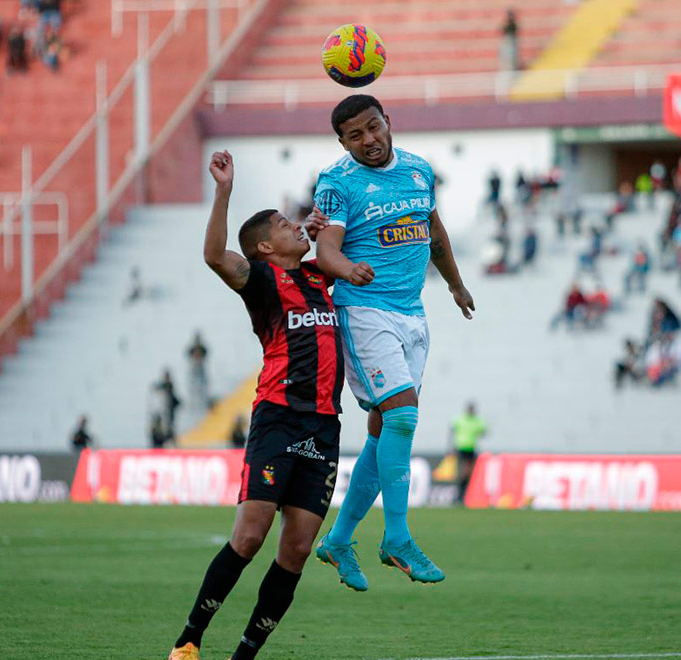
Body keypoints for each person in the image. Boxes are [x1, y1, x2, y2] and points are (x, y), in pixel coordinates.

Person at [166, 151, 351, 660]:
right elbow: (214, 256)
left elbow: (340, 247)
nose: (295, 225)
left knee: (295, 550)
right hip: (278, 417)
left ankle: (245, 655)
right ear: (266, 246)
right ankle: (189, 638)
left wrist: (323, 225)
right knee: (250, 536)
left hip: (325, 428)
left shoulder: (318, 276)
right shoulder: (263, 283)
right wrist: (224, 192)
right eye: (284, 224)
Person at [308, 94, 474, 590]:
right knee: (402, 415)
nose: (369, 141)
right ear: (342, 142)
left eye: (373, 128)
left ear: (387, 123)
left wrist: (454, 282)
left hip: (412, 314)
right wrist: (347, 270)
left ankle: (338, 540)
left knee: (384, 432)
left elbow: (434, 231)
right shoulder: (338, 182)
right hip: (363, 310)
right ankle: (397, 539)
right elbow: (327, 248)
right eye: (355, 135)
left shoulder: (419, 170)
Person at [449, 402, 487, 505]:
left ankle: (462, 496)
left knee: (469, 473)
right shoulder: (460, 419)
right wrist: (451, 447)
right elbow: (452, 431)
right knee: (463, 472)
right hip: (461, 448)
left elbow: (483, 432)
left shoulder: (477, 421)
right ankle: (458, 496)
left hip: (471, 449)